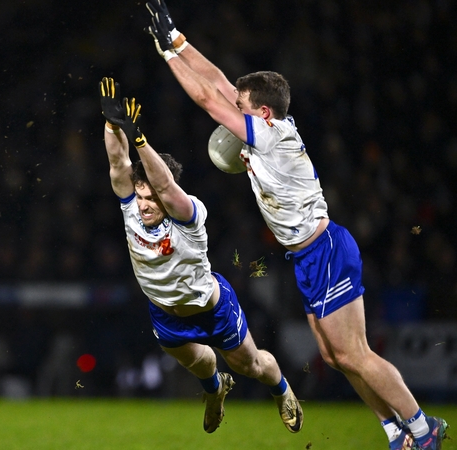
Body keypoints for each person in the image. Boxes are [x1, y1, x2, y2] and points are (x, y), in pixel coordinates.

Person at [143, 2, 449, 449]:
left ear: (264, 113)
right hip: (307, 255)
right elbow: (220, 84)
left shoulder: (270, 135)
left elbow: (208, 99)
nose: (235, 109)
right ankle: (393, 431)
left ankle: (424, 430)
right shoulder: (266, 127)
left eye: (243, 107)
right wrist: (175, 38)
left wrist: (167, 58)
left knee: (354, 353)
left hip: (325, 250)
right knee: (335, 356)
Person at [99, 76, 302, 434]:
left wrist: (140, 140)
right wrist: (112, 124)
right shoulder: (132, 206)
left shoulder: (188, 214)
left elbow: (164, 186)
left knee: (250, 365)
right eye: (141, 197)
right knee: (202, 365)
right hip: (165, 314)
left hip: (211, 308)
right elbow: (118, 163)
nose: (144, 205)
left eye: (151, 199)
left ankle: (281, 389)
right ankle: (214, 390)